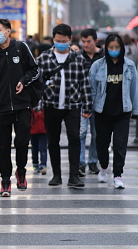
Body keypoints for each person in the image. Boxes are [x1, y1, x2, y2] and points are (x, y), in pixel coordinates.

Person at [0, 18, 40, 197]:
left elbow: (35, 70)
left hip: (22, 104)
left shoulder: (21, 48)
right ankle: (5, 180)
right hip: (1, 107)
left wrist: (23, 81)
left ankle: (21, 172)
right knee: (4, 146)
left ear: (8, 31)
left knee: (22, 142)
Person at [37, 23, 92, 187]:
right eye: (57, 40)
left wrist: (87, 106)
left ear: (70, 39)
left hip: (73, 105)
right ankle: (56, 175)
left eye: (63, 40)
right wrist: (38, 104)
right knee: (52, 141)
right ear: (53, 39)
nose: (60, 43)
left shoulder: (78, 58)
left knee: (74, 138)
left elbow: (85, 83)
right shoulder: (44, 58)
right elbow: (37, 83)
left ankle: (74, 176)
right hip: (50, 104)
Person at [89, 34, 138, 189]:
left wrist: (135, 111)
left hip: (122, 113)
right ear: (106, 48)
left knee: (120, 145)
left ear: (121, 48)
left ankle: (118, 174)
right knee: (102, 144)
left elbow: (134, 90)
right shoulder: (97, 66)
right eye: (110, 47)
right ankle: (103, 167)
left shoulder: (129, 65)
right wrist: (88, 108)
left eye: (116, 47)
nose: (113, 50)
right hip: (101, 112)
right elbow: (91, 89)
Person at [78, 29, 104, 177]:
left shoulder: (103, 56)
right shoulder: (77, 57)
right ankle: (80, 162)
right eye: (83, 41)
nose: (86, 44)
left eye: (88, 41)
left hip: (99, 99)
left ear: (95, 41)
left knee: (97, 133)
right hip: (81, 98)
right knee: (81, 132)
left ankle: (93, 161)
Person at [30, 107, 47, 175]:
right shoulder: (32, 109)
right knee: (35, 148)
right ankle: (35, 163)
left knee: (42, 148)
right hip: (33, 130)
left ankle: (43, 164)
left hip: (43, 130)